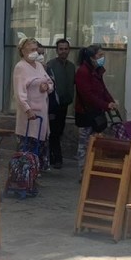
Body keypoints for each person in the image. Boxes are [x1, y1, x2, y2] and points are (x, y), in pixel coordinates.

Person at [74, 44, 118, 176]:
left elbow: (102, 89)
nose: (102, 58)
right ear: (92, 57)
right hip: (85, 113)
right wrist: (106, 105)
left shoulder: (97, 70)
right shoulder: (83, 72)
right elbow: (87, 95)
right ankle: (83, 172)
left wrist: (110, 101)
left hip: (96, 111)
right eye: (100, 55)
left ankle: (92, 170)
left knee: (94, 143)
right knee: (84, 144)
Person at [12, 37, 53, 149]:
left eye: (36, 49)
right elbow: (19, 92)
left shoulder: (39, 65)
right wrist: (28, 110)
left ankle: (39, 165)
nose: (35, 53)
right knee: (29, 142)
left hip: (42, 110)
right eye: (31, 50)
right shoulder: (20, 67)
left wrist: (47, 87)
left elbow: (49, 82)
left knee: (41, 141)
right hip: (29, 113)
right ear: (23, 51)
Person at [45, 38, 76, 169]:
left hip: (65, 104)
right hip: (52, 104)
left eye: (66, 49)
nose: (63, 51)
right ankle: (55, 158)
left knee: (60, 130)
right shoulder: (50, 65)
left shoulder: (71, 66)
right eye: (61, 49)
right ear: (57, 50)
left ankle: (55, 157)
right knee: (53, 131)